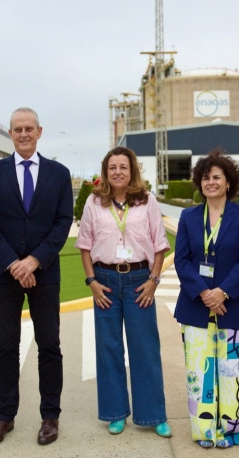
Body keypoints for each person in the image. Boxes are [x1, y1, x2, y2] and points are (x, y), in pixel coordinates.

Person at [0, 107, 73, 447]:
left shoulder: (59, 173)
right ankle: (5, 416)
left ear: (39, 131)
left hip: (45, 272)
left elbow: (63, 222)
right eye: (17, 129)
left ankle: (50, 416)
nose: (23, 134)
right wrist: (14, 264)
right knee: (6, 346)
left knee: (49, 345)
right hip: (4, 274)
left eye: (28, 128)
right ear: (10, 133)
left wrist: (34, 261)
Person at [75, 146, 172, 438]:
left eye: (123, 167)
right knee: (109, 350)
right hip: (104, 280)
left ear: (132, 171)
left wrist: (154, 281)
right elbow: (84, 246)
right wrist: (91, 281)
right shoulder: (94, 202)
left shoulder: (148, 202)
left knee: (145, 349)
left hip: (139, 280)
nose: (118, 171)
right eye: (112, 167)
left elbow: (159, 245)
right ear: (106, 172)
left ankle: (154, 415)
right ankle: (115, 413)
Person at [174, 149, 239, 449]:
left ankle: (233, 431)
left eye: (217, 177)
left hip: (234, 305)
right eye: (206, 177)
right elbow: (181, 260)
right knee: (199, 373)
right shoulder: (188, 216)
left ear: (228, 182)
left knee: (234, 372)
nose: (211, 182)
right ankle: (205, 432)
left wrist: (222, 292)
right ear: (200, 182)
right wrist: (203, 293)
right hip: (196, 307)